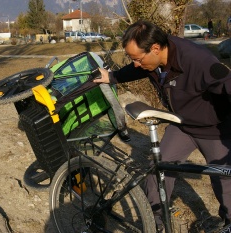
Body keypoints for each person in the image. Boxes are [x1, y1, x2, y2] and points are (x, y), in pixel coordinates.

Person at [94, 20, 231, 231]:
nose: (136, 64)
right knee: (158, 172)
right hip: (181, 124)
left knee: (225, 181)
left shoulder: (199, 61)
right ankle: (153, 222)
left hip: (213, 128)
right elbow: (137, 69)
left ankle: (228, 221)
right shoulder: (155, 57)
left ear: (155, 49)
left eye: (138, 59)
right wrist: (112, 77)